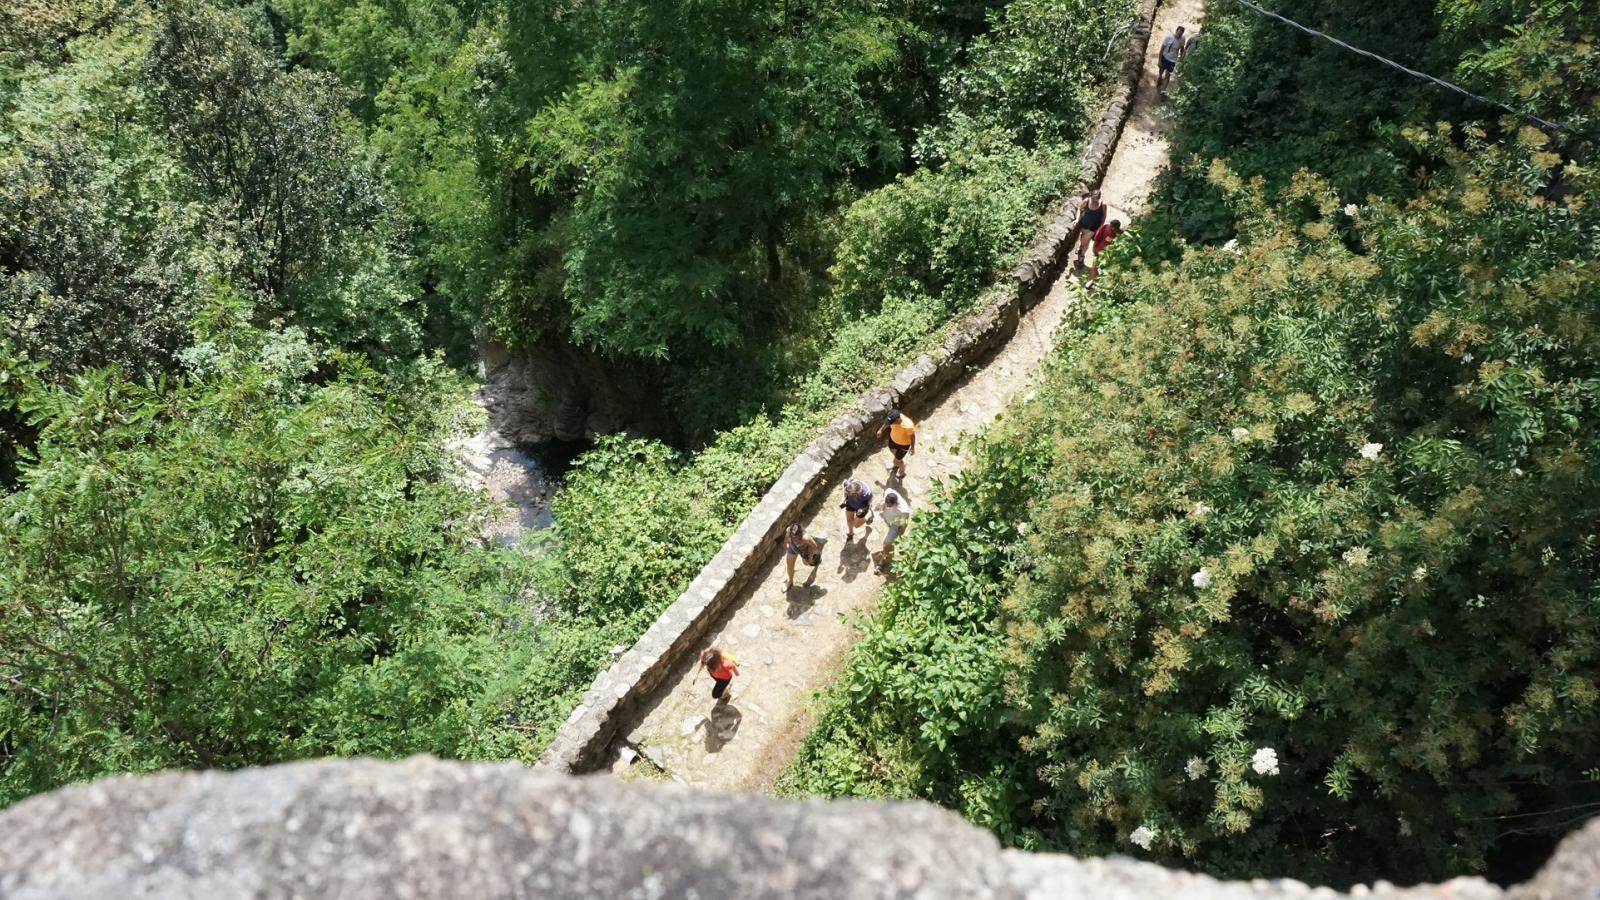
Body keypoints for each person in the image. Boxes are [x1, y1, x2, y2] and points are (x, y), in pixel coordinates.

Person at [874, 488, 911, 575]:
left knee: (885, 545)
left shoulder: (904, 510)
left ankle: (882, 562)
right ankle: (890, 547)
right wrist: (883, 503)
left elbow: (904, 522)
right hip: (888, 519)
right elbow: (886, 491)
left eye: (889, 505)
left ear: (895, 503)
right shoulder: (889, 492)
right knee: (889, 544)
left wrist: (901, 531)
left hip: (895, 526)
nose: (887, 506)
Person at [782, 522, 824, 592]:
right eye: (792, 537)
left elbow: (814, 546)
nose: (794, 538)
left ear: (800, 534)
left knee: (807, 563)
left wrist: (810, 556)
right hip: (793, 548)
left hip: (805, 550)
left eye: (796, 537)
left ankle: (819, 542)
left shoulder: (806, 538)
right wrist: (785, 543)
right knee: (790, 566)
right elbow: (787, 535)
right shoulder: (789, 530)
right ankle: (790, 581)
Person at [875, 409, 916, 479]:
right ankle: (898, 462)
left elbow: (912, 436)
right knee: (891, 449)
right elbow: (886, 423)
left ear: (898, 419)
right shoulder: (893, 417)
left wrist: (912, 447)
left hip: (904, 445)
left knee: (896, 461)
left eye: (891, 423)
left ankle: (902, 467)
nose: (890, 424)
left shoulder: (908, 426)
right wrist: (881, 430)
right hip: (893, 439)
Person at [1073, 191, 1107, 264]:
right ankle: (1080, 247)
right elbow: (1079, 209)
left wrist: (1101, 226)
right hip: (1084, 223)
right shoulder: (1086, 201)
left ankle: (1082, 255)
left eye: (1096, 199)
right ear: (1091, 196)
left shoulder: (1103, 204)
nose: (1095, 201)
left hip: (1094, 226)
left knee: (1086, 242)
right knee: (1082, 238)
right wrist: (1077, 219)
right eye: (1093, 199)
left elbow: (1104, 216)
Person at [1157, 25, 1186, 95]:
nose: (1178, 35)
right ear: (1176, 31)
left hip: (1172, 60)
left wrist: (1182, 57)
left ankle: (1163, 91)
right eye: (1178, 33)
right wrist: (1159, 60)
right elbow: (1162, 49)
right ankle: (1160, 77)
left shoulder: (1182, 39)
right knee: (1161, 69)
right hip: (1165, 57)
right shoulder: (1168, 38)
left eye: (1180, 34)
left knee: (1168, 75)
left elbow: (1182, 47)